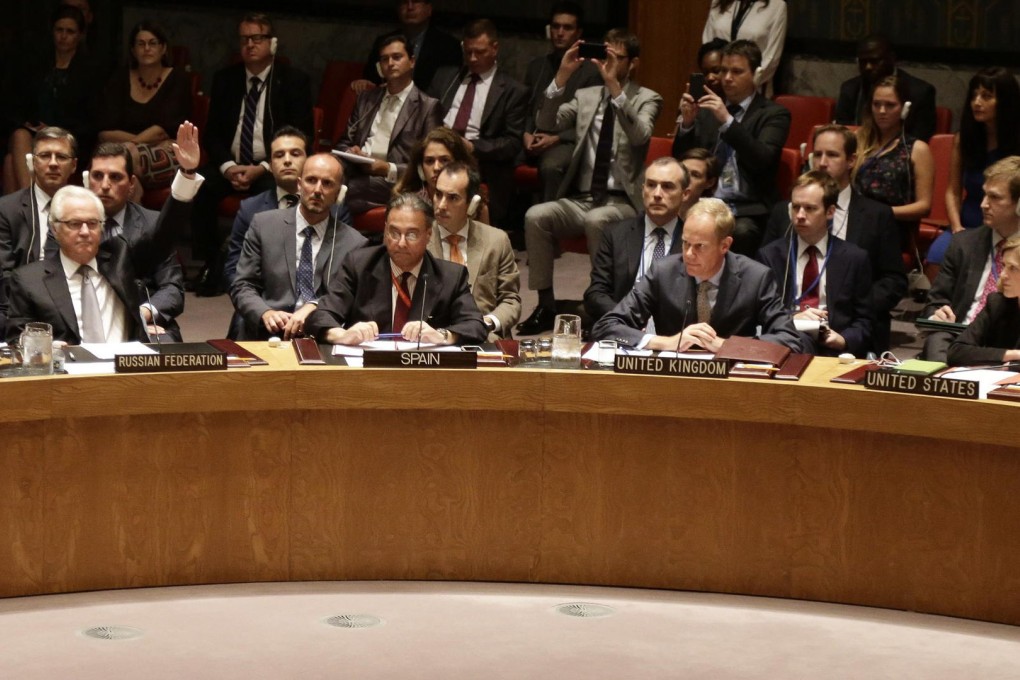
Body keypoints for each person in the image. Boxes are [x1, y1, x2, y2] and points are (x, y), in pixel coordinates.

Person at [517, 29, 663, 335]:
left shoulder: (648, 98)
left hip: (624, 201)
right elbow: (545, 123)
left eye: (616, 57)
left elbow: (641, 136)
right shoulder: (584, 97)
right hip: (582, 196)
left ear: (632, 63)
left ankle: (603, 307)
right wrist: (561, 78)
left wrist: (615, 90)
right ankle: (545, 305)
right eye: (605, 55)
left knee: (598, 220)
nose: (608, 62)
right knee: (536, 215)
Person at [4, 122, 203, 344]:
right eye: (73, 224)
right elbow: (17, 333)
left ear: (102, 226)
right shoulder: (29, 280)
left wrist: (186, 173)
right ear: (56, 230)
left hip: (125, 357)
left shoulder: (120, 257)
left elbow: (165, 235)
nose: (84, 232)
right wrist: (43, 346)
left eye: (92, 223)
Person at [191, 12, 314, 297]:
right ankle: (212, 262)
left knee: (275, 193)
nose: (249, 44)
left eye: (257, 38)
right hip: (230, 164)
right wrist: (228, 167)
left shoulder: (293, 81)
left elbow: (303, 134)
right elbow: (212, 133)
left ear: (272, 43)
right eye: (244, 38)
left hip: (269, 168)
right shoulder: (225, 79)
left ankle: (267, 268)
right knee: (201, 187)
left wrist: (262, 167)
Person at [591, 197, 804, 352]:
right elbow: (606, 326)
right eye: (685, 243)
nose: (688, 254)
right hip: (672, 378)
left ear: (724, 245)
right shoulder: (662, 272)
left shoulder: (756, 278)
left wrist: (726, 346)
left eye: (700, 246)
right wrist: (665, 342)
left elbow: (788, 338)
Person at [762, 124, 905, 352]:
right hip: (790, 326)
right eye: (817, 154)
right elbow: (766, 279)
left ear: (851, 160)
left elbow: (893, 281)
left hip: (844, 325)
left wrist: (844, 308)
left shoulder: (876, 216)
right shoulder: (782, 213)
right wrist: (795, 317)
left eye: (832, 154)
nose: (822, 162)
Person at [305, 193, 487, 346]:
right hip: (369, 372)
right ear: (384, 230)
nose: (400, 243)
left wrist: (442, 336)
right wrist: (341, 335)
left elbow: (475, 326)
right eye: (394, 232)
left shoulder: (450, 277)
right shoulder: (359, 265)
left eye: (411, 234)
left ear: (428, 235)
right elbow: (321, 316)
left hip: (425, 373)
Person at [230, 153, 367, 340]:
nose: (318, 190)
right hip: (267, 333)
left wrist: (315, 306)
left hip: (322, 337)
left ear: (338, 193)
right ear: (299, 184)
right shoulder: (263, 225)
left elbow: (350, 298)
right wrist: (265, 313)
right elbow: (242, 285)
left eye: (327, 184)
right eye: (311, 180)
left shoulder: (355, 243)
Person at [673, 39, 790, 257]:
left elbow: (762, 159)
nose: (727, 78)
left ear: (756, 74)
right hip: (703, 200)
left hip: (746, 208)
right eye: (724, 70)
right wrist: (687, 124)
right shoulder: (706, 110)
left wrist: (727, 121)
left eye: (736, 71)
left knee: (742, 232)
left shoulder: (774, 114)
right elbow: (680, 162)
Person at [757, 171, 873, 357]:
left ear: (830, 212)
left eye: (810, 208)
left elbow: (865, 320)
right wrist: (792, 318)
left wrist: (844, 340)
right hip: (786, 341)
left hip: (833, 346)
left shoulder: (854, 258)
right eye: (795, 207)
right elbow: (762, 313)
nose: (800, 215)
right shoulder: (771, 255)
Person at [429, 19, 528, 228]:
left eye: (479, 52)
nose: (472, 58)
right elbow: (427, 117)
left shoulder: (512, 91)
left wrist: (473, 147)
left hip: (479, 160)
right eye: (468, 52)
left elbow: (511, 144)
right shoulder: (446, 77)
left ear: (495, 48)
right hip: (437, 150)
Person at [922, 156, 1020, 361]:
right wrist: (936, 315)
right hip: (958, 337)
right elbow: (935, 301)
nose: (984, 204)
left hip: (1008, 343)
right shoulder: (963, 244)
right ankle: (944, 383)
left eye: (995, 197)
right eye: (984, 195)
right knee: (937, 338)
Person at [86, 142, 186, 341]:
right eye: (97, 176)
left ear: (131, 183)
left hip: (143, 319)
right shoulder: (68, 224)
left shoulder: (153, 224)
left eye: (115, 177)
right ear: (87, 180)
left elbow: (172, 289)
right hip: (85, 319)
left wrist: (140, 316)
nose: (105, 185)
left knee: (165, 346)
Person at [334, 35, 442, 214]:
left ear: (412, 61)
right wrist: (352, 153)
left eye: (397, 57)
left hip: (397, 180)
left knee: (343, 189)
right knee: (321, 175)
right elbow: (344, 142)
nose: (390, 63)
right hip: (356, 170)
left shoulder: (428, 107)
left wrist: (387, 168)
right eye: (385, 59)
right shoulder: (366, 100)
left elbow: (431, 163)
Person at [584, 157, 698, 323]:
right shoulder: (616, 233)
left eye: (667, 186)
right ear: (643, 189)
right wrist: (625, 317)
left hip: (674, 336)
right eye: (651, 185)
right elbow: (596, 293)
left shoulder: (694, 240)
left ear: (685, 194)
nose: (657, 194)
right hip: (622, 328)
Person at [927, 67, 1020, 267]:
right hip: (968, 221)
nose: (977, 102)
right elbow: (952, 192)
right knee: (937, 256)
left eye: (986, 96)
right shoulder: (964, 138)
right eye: (974, 95)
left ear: (1005, 101)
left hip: (1009, 225)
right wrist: (957, 229)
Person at [4, 6, 96, 193]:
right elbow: (20, 103)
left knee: (10, 161)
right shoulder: (37, 63)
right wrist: (32, 124)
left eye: (69, 31)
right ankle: (28, 212)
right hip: (35, 134)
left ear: (79, 35)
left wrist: (55, 130)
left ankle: (31, 209)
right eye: (59, 30)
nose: (63, 36)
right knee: (17, 140)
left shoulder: (89, 70)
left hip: (71, 136)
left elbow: (90, 119)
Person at [427, 162, 520, 340]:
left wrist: (487, 323)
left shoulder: (496, 241)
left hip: (485, 336)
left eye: (453, 198)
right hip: (435, 339)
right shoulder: (421, 240)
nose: (441, 205)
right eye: (438, 195)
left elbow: (511, 300)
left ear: (472, 203)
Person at [95, 21, 191, 191]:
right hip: (124, 152)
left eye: (152, 43)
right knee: (130, 179)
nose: (147, 48)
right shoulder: (119, 78)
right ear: (133, 50)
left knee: (118, 163)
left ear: (163, 49)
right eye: (141, 44)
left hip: (167, 153)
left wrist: (129, 145)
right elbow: (105, 131)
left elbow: (163, 130)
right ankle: (134, 203)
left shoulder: (177, 79)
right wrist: (133, 145)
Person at [522, 1, 601, 201]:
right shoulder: (537, 66)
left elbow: (589, 122)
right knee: (498, 153)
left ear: (578, 33)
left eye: (567, 28)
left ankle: (548, 222)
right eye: (556, 26)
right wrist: (525, 134)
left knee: (551, 166)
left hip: (566, 140)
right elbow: (527, 107)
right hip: (533, 137)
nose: (560, 32)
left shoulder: (591, 72)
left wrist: (556, 138)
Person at [852, 74, 934, 257]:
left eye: (890, 105)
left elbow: (924, 206)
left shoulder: (917, 149)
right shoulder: (858, 140)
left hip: (890, 227)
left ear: (905, 108)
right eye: (876, 104)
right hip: (852, 221)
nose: (882, 111)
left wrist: (880, 213)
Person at [835, 34, 937, 141]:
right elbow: (842, 134)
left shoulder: (920, 92)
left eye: (874, 61)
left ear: (892, 58)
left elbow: (920, 138)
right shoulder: (850, 89)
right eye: (863, 62)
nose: (868, 67)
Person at [351, 0, 460, 95]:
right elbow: (371, 78)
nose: (410, 7)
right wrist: (365, 83)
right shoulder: (384, 42)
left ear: (429, 9)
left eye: (416, 2)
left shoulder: (448, 45)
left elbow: (448, 89)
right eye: (404, 2)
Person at [947, 234, 1020, 366]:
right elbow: (956, 352)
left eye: (1013, 268)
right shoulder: (997, 303)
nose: (1003, 275)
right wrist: (1012, 355)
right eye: (1004, 265)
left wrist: (1007, 367)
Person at [702, 0, 787, 94]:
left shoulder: (777, 6)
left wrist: (747, 81)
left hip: (753, 89)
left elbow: (772, 56)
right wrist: (718, 75)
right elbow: (708, 45)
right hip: (718, 87)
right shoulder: (718, 2)